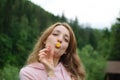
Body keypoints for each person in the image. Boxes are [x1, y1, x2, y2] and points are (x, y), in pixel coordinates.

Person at [19, 22, 86, 80]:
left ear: (66, 50)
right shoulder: (28, 73)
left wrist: (51, 73)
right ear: (45, 40)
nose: (60, 39)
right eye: (55, 34)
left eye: (65, 39)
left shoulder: (71, 75)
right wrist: (51, 73)